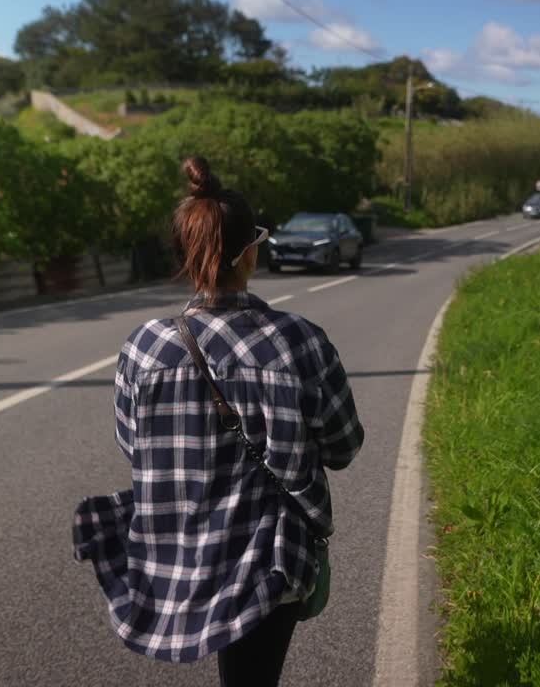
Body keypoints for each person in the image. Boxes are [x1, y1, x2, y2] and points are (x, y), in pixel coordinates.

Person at [72, 155, 364, 686]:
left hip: (177, 552)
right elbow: (343, 448)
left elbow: (134, 450)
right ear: (250, 249)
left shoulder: (144, 346)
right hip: (266, 556)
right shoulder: (297, 340)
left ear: (185, 253)